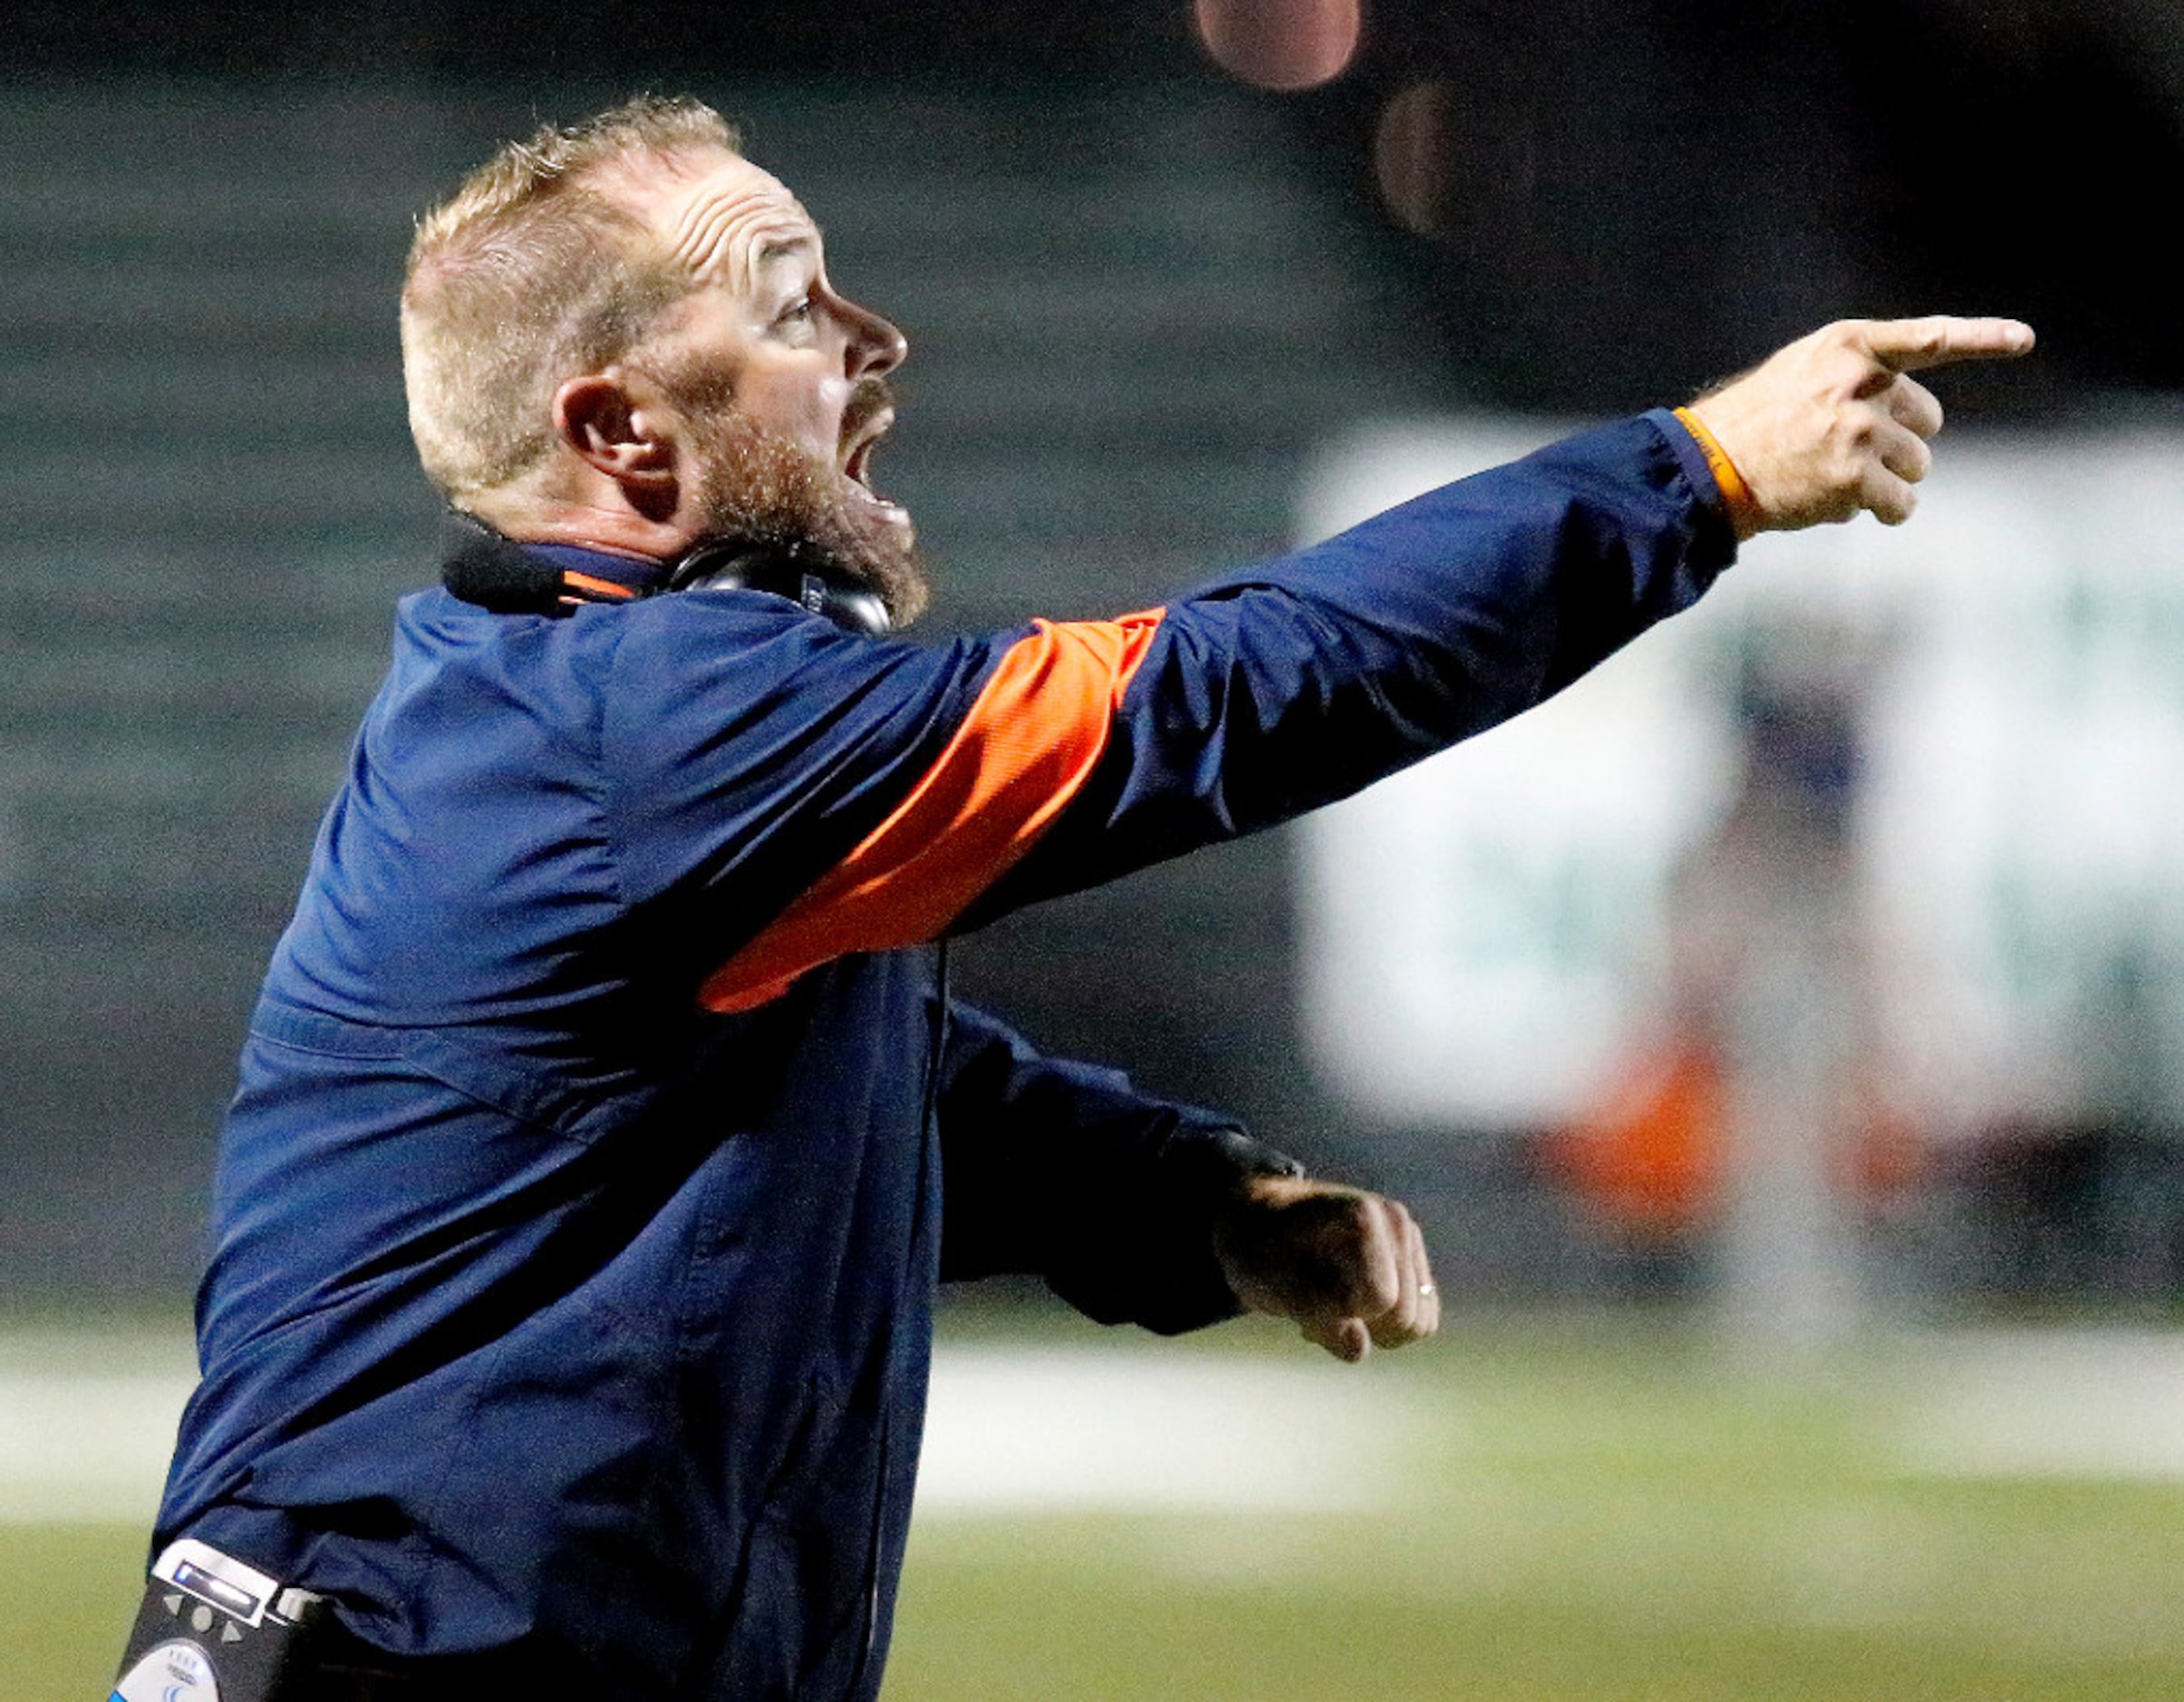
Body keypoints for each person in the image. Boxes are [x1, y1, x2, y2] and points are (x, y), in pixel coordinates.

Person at [121, 93, 2030, 1702]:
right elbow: (1206, 696)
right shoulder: (649, 727)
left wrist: (1185, 1207)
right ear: (625, 435)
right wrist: (1685, 478)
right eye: (790, 305)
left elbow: (857, 1074)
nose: (872, 338)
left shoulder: (597, 718)